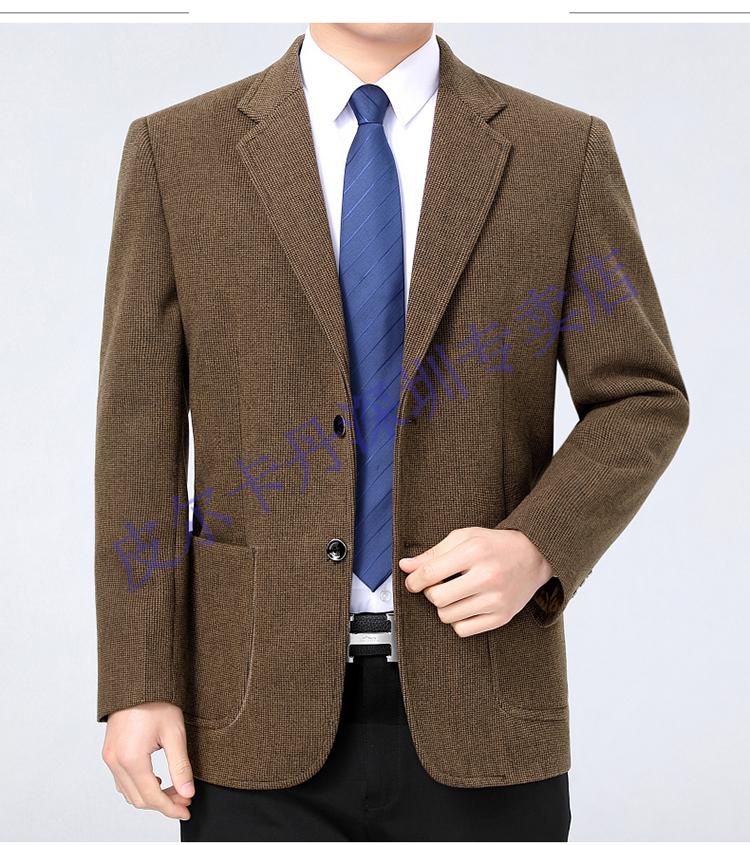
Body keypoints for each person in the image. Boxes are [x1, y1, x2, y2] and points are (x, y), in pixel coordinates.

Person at [95, 22, 690, 841]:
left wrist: (539, 544)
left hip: (486, 699)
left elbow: (642, 396)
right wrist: (140, 676)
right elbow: (138, 432)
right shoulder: (177, 151)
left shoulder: (561, 152)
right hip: (250, 706)